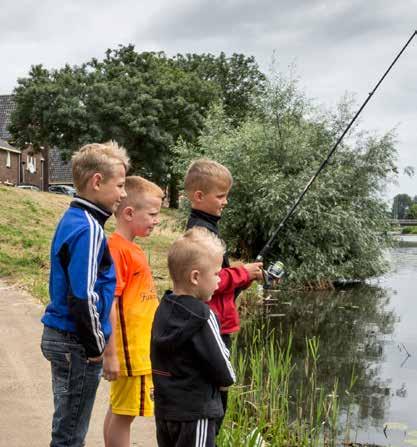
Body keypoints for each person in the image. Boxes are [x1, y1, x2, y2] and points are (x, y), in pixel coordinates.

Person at [40, 141, 130, 447]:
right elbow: (83, 296)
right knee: (70, 434)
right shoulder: (90, 229)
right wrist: (96, 347)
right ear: (96, 182)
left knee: (66, 425)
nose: (123, 193)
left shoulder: (74, 219)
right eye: (119, 185)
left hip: (64, 337)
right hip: (75, 342)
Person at [184, 158, 263, 431]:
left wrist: (244, 281)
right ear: (199, 196)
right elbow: (211, 280)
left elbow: (219, 281)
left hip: (217, 322)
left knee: (218, 400)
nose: (225, 202)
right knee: (215, 400)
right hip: (212, 326)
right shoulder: (201, 231)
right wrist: (243, 272)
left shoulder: (207, 227)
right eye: (221, 196)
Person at [151, 227, 236, 447]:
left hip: (166, 409)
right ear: (196, 277)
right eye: (216, 273)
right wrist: (228, 380)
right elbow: (221, 366)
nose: (219, 280)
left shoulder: (164, 307)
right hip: (196, 412)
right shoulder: (203, 315)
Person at [102, 176, 164, 447]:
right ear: (129, 213)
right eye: (152, 214)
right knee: (124, 415)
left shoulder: (131, 248)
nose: (156, 220)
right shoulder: (117, 250)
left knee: (118, 410)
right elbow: (110, 302)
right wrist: (112, 354)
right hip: (131, 352)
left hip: (138, 349)